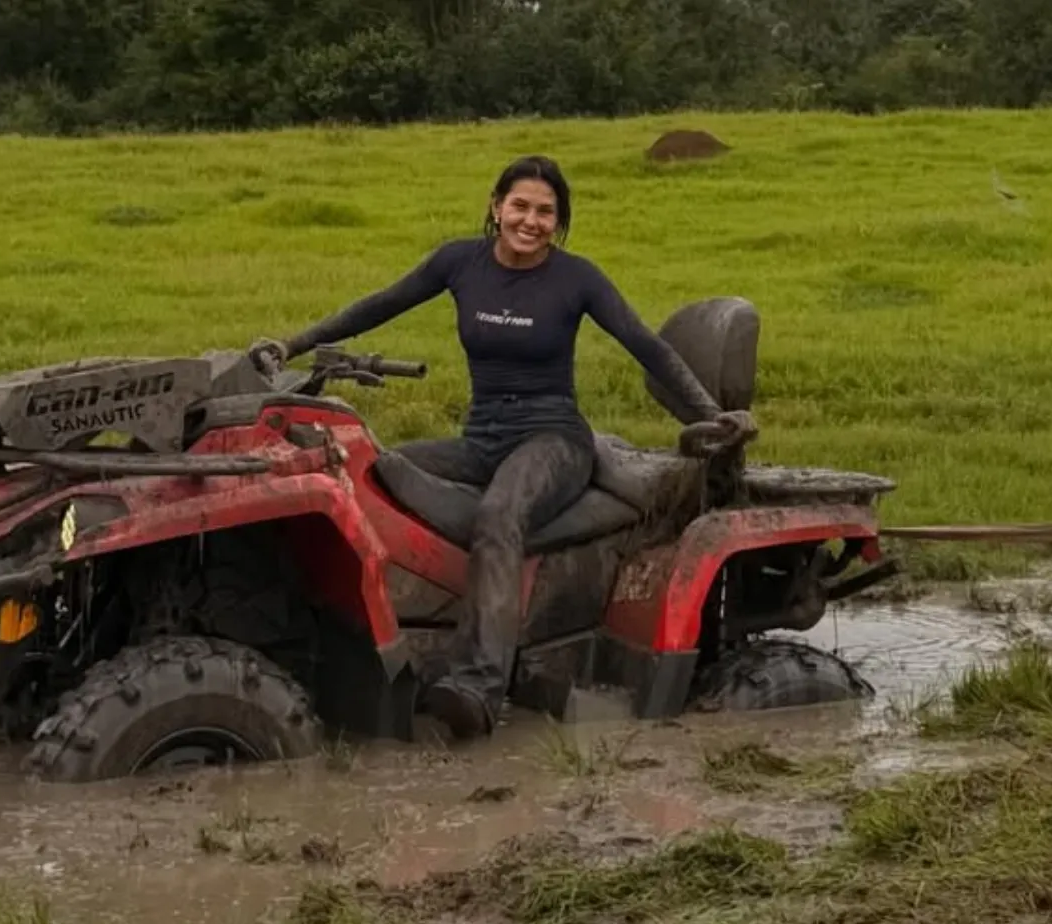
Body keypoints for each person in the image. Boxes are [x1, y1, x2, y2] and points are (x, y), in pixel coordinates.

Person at [248, 155, 756, 740]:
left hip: (554, 439)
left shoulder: (577, 278)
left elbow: (648, 348)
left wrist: (711, 417)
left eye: (545, 212)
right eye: (520, 206)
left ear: (558, 223)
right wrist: (292, 346)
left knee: (499, 516)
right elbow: (377, 305)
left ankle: (479, 686)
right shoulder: (459, 261)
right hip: (481, 439)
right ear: (496, 207)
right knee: (373, 473)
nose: (531, 221)